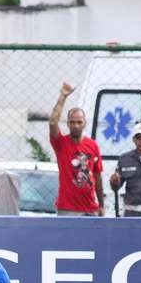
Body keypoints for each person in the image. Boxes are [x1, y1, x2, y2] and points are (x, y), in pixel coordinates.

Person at [49, 82, 105, 216]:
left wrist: (101, 205)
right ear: (68, 124)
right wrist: (63, 96)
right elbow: (52, 122)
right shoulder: (61, 144)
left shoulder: (93, 145)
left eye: (79, 122)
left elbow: (97, 177)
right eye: (72, 122)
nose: (76, 125)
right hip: (68, 209)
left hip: (90, 209)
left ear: (85, 123)